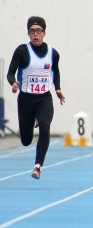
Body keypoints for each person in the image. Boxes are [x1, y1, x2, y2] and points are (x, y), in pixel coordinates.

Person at [6, 16, 66, 179]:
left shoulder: (53, 53)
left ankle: (37, 166)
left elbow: (56, 71)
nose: (35, 34)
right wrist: (13, 83)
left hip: (44, 98)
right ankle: (33, 121)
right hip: (26, 99)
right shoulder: (22, 51)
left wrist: (58, 89)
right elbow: (10, 72)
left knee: (45, 126)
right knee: (26, 141)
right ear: (28, 33)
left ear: (44, 33)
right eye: (32, 31)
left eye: (38, 31)